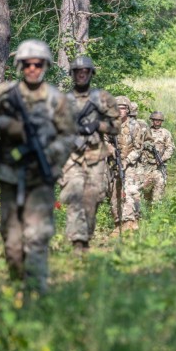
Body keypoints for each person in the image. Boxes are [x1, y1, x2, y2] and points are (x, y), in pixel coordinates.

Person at [0, 39, 75, 293]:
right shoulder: (4, 94)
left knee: (37, 235)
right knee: (12, 240)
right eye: (28, 64)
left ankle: (37, 292)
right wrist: (6, 125)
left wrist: (48, 152)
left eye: (38, 64)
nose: (32, 68)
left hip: (41, 176)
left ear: (45, 65)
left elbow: (68, 137)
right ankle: (18, 285)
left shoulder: (56, 99)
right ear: (21, 65)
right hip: (10, 173)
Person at [59, 56, 120, 252]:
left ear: (91, 73)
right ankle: (77, 241)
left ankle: (86, 237)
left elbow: (116, 126)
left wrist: (97, 125)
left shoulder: (103, 98)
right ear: (73, 74)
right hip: (72, 157)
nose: (82, 74)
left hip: (95, 156)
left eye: (85, 71)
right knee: (74, 195)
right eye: (78, 71)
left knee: (92, 199)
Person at [109, 96, 153, 233]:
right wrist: (111, 151)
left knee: (129, 192)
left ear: (127, 110)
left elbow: (138, 148)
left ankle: (129, 222)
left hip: (131, 165)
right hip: (113, 163)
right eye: (117, 108)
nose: (120, 111)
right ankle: (118, 223)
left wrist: (126, 161)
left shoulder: (135, 126)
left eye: (123, 108)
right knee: (114, 194)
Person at [141, 111, 175, 204]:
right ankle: (147, 207)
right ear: (152, 120)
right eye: (155, 120)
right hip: (146, 164)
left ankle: (156, 208)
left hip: (159, 165)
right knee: (145, 188)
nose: (157, 122)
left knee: (160, 184)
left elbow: (170, 148)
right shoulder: (145, 132)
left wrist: (162, 158)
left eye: (159, 120)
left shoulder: (165, 133)